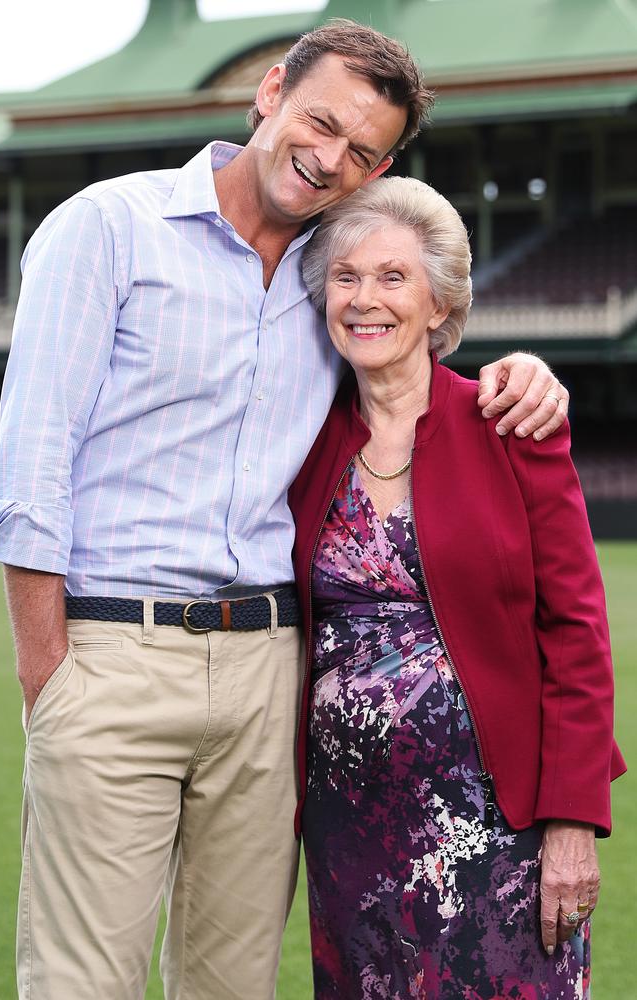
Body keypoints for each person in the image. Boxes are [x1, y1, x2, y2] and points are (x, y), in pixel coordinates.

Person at [0, 20, 570, 1000]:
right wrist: (51, 682)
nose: (330, 157)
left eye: (362, 151)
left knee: (234, 983)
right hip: (112, 657)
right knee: (84, 983)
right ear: (270, 92)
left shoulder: (327, 278)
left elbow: (408, 371)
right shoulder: (106, 228)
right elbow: (29, 464)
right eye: (320, 121)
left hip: (268, 676)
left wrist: (524, 375)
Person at [289, 175, 626, 999]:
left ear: (440, 305)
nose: (365, 300)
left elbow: (577, 635)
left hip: (498, 830)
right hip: (351, 831)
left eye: (393, 278)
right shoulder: (300, 440)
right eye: (346, 278)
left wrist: (573, 822)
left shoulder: (511, 424)